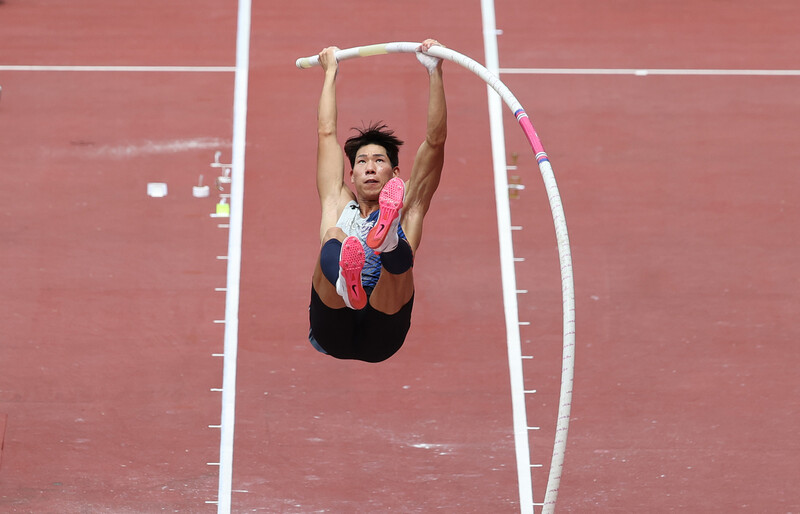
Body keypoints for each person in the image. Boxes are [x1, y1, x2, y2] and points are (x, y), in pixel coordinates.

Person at [308, 39, 447, 363]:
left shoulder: (409, 199)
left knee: (398, 248)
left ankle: (386, 241)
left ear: (396, 173)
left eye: (379, 161)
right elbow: (326, 133)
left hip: (384, 326)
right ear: (352, 175)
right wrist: (330, 72)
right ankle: (346, 282)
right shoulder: (337, 201)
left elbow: (435, 142)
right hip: (334, 321)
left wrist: (434, 72)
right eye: (362, 162)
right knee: (334, 236)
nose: (370, 166)